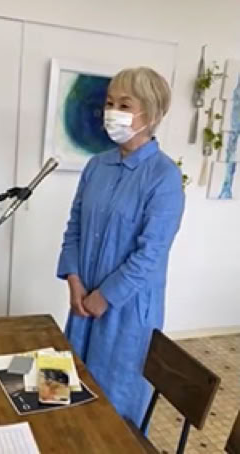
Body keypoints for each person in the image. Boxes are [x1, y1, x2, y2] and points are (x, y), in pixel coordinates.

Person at [56, 67, 184, 428]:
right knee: (69, 394)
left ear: (152, 114)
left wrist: (105, 297)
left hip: (127, 312)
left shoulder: (164, 177)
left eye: (124, 105)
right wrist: (74, 281)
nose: (113, 112)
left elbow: (151, 253)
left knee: (115, 412)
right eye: (110, 103)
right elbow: (75, 227)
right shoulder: (96, 166)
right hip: (82, 304)